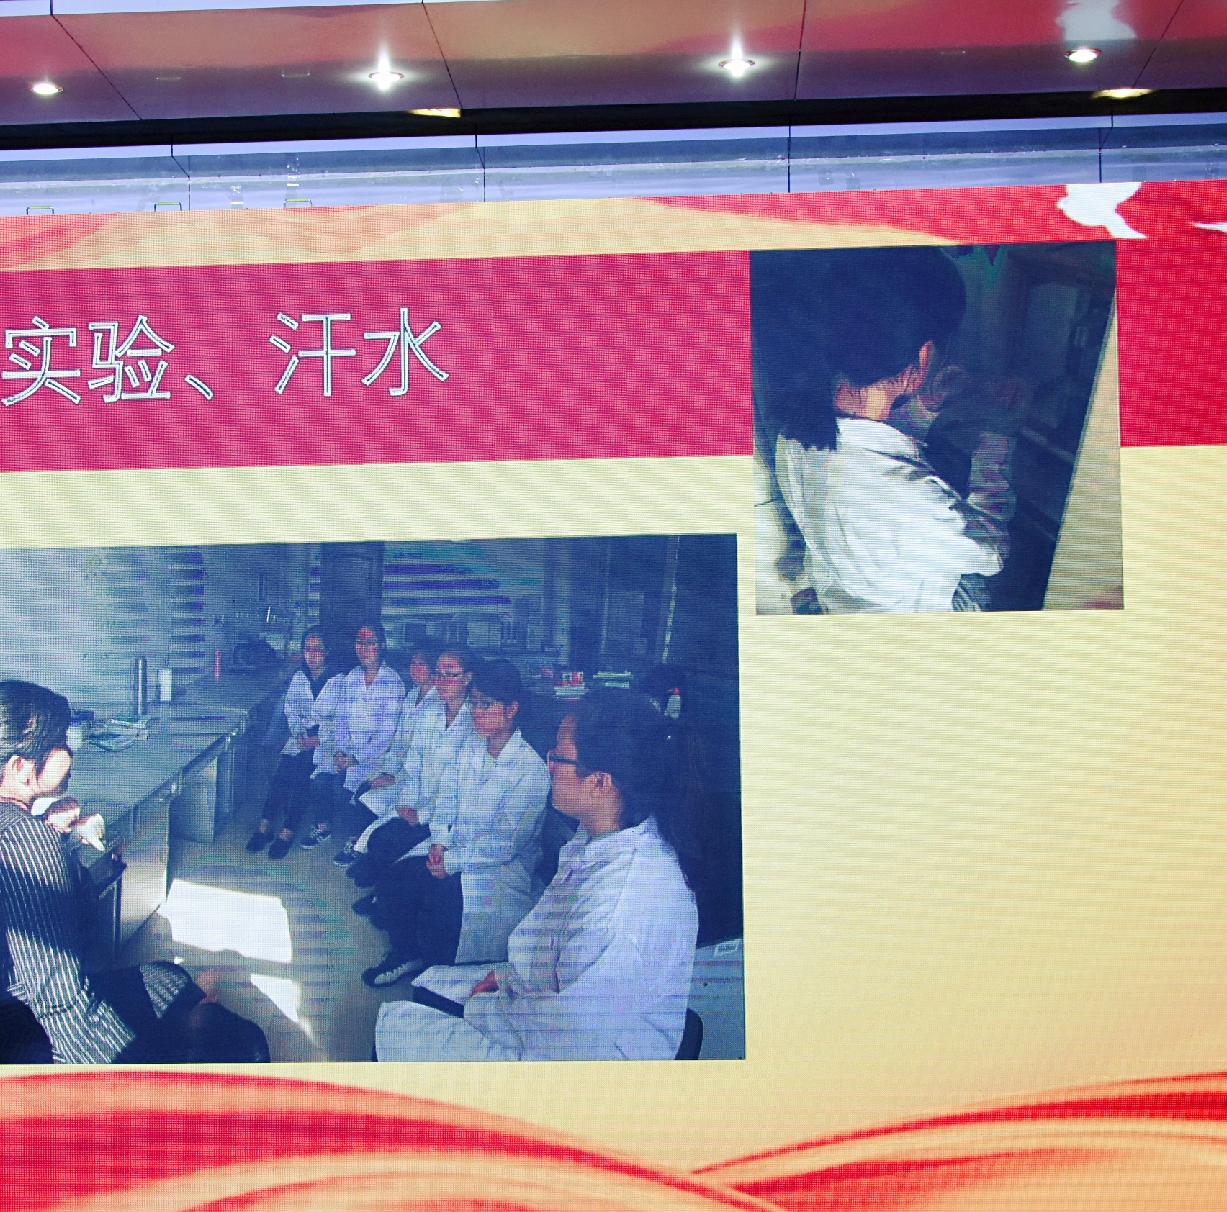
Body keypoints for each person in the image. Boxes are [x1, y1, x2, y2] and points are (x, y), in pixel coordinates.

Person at [0, 680, 261, 1064]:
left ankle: (187, 1014)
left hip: (0, 1021)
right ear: (20, 768)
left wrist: (50, 833)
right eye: (60, 742)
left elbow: (22, 906)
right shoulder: (26, 843)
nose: (70, 751)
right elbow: (66, 1010)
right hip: (41, 1040)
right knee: (246, 1041)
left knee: (181, 979)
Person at [375, 689, 699, 1061]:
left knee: (396, 1028)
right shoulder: (598, 836)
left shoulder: (622, 904)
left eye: (558, 757)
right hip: (549, 1004)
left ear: (599, 783)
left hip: (580, 1061)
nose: (548, 765)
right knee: (428, 985)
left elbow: (570, 1035)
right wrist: (508, 979)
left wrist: (488, 1007)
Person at [755, 246, 1014, 613]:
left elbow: (869, 461)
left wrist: (923, 410)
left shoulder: (797, 433)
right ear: (924, 356)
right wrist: (997, 438)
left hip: (842, 595)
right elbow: (989, 553)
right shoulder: (908, 494)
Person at [361, 658, 550, 989]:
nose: (477, 712)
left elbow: (505, 845)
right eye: (474, 703)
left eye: (486, 704)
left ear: (511, 709)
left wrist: (451, 861)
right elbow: (447, 796)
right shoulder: (472, 746)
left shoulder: (531, 771)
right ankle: (406, 953)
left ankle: (433, 961)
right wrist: (439, 840)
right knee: (396, 879)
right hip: (452, 848)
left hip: (496, 869)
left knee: (442, 906)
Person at [343, 646, 477, 886]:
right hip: (417, 799)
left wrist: (421, 815)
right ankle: (375, 870)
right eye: (439, 674)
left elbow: (459, 789)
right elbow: (413, 765)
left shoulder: (474, 723)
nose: (442, 681)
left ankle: (382, 884)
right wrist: (407, 804)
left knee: (391, 844)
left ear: (467, 678)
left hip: (445, 814)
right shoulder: (430, 712)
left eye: (451, 674)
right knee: (380, 834)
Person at [301, 622, 405, 851]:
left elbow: (386, 734)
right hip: (346, 751)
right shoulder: (352, 677)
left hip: (375, 756)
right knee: (319, 781)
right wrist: (341, 752)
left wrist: (355, 758)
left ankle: (357, 840)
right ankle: (323, 828)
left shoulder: (393, 682)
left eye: (370, 643)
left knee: (345, 790)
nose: (363, 648)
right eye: (359, 642)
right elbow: (340, 719)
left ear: (382, 646)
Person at [249, 627, 335, 860]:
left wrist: (318, 738)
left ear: (327, 651)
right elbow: (291, 710)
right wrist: (298, 733)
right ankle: (265, 825)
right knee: (282, 772)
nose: (312, 655)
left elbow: (341, 719)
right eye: (307, 649)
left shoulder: (338, 681)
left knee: (301, 776)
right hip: (300, 738)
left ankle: (288, 830)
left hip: (326, 742)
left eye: (317, 649)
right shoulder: (299, 677)